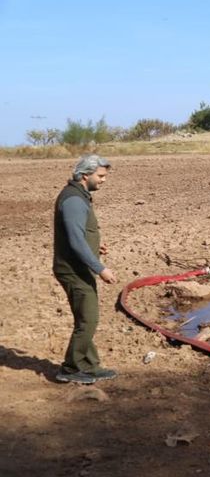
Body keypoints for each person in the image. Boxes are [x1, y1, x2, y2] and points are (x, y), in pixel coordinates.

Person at [53, 154, 118, 384]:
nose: (103, 180)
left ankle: (88, 366)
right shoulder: (73, 200)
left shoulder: (80, 196)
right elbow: (75, 241)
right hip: (73, 270)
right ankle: (71, 368)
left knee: (86, 318)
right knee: (88, 320)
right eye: (100, 176)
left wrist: (95, 241)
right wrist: (100, 268)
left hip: (78, 268)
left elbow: (79, 233)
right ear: (84, 175)